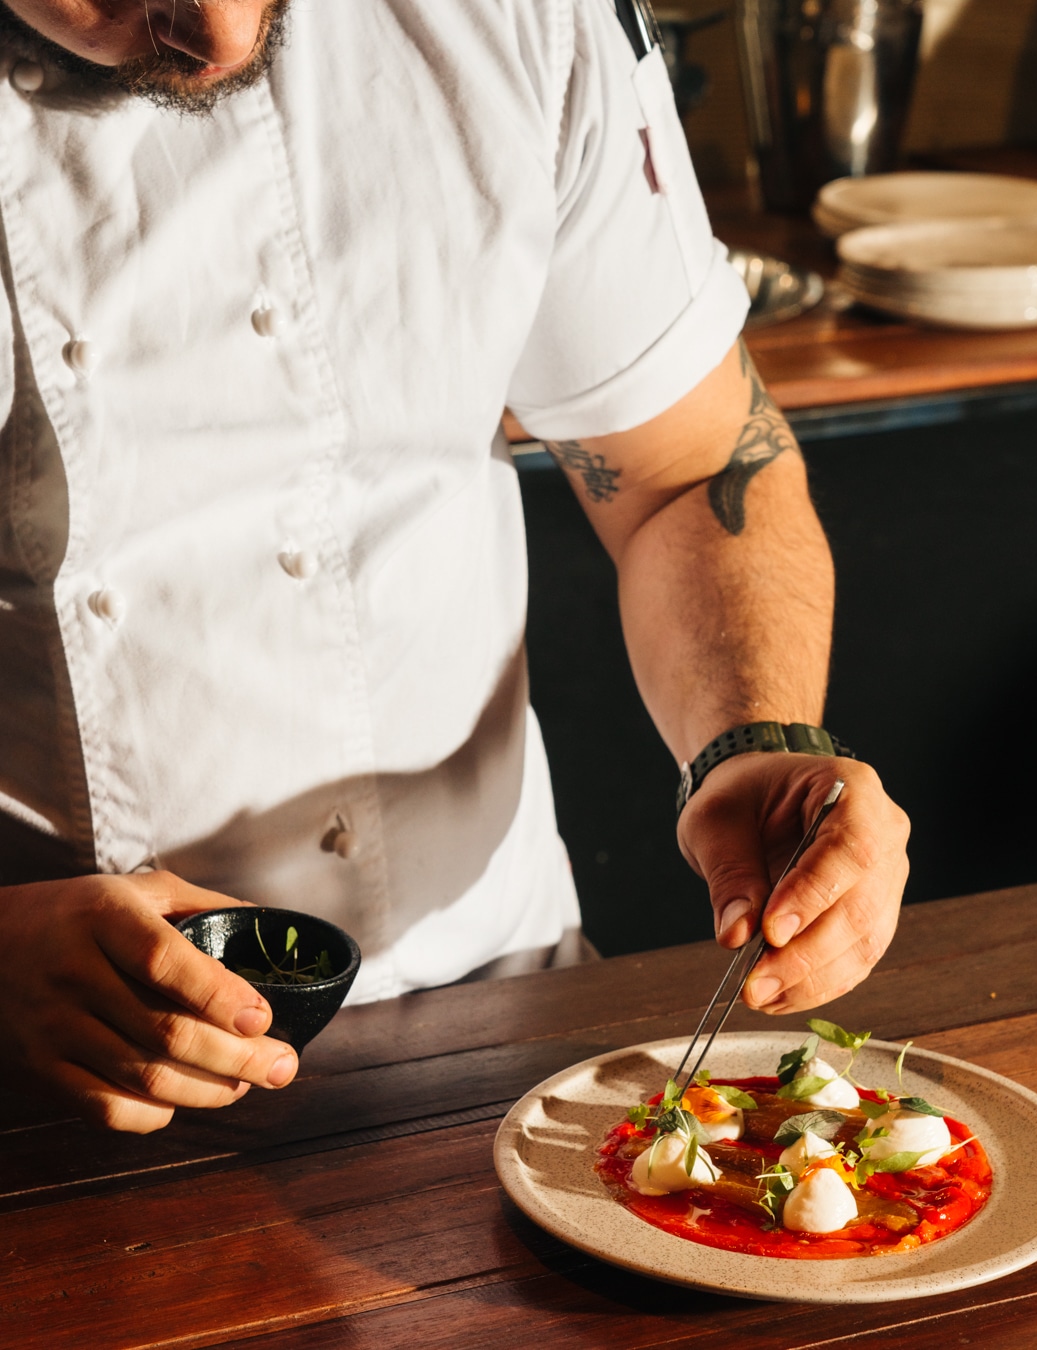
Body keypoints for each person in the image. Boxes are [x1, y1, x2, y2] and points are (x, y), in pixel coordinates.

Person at [0, 0, 909, 1133]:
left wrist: (752, 742)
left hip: (507, 1038)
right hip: (43, 1111)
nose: (225, 36)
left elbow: (689, 466)